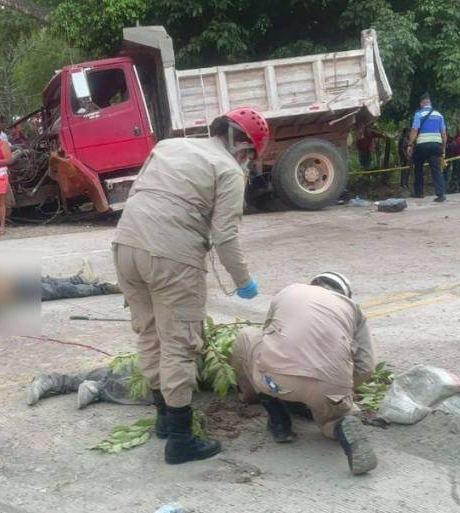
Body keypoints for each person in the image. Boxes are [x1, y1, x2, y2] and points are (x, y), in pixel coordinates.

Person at [113, 107, 267, 465]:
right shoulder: (228, 170)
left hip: (125, 247)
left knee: (149, 334)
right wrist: (243, 281)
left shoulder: (168, 146)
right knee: (180, 343)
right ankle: (181, 441)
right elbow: (225, 237)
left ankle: (165, 421)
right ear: (242, 147)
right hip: (171, 257)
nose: (246, 163)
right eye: (249, 156)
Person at [230, 273, 377, 475]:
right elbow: (367, 366)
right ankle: (341, 426)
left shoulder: (290, 291)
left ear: (315, 284)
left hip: (274, 380)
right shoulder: (352, 309)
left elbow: (267, 337)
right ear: (344, 294)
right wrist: (343, 392)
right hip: (329, 387)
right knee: (330, 419)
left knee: (247, 336)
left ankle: (274, 413)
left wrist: (250, 393)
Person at [406, 93, 447, 202]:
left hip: (422, 146)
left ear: (421, 103)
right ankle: (440, 194)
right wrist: (443, 147)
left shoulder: (419, 114)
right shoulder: (439, 115)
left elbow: (414, 130)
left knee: (418, 167)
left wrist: (410, 145)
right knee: (436, 169)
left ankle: (419, 193)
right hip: (436, 145)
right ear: (430, 103)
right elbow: (443, 133)